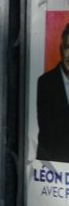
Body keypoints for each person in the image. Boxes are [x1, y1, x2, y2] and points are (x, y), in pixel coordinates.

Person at [36, 22, 69, 163]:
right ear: (61, 49)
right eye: (68, 47)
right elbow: (49, 133)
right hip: (54, 168)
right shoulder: (46, 83)